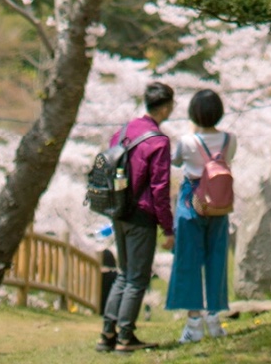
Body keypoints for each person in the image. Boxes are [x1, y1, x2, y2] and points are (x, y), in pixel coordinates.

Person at [99, 79, 175, 354]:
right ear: (166, 107)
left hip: (117, 210)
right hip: (141, 216)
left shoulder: (123, 132)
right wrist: (168, 228)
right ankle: (125, 337)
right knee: (137, 278)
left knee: (123, 274)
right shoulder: (158, 141)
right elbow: (160, 188)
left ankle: (107, 333)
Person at [166, 88, 236, 344]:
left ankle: (194, 322)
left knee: (189, 258)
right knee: (216, 256)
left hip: (191, 201)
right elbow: (226, 161)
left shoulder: (187, 141)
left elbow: (175, 162)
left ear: (193, 113)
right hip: (219, 202)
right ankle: (215, 319)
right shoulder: (230, 139)